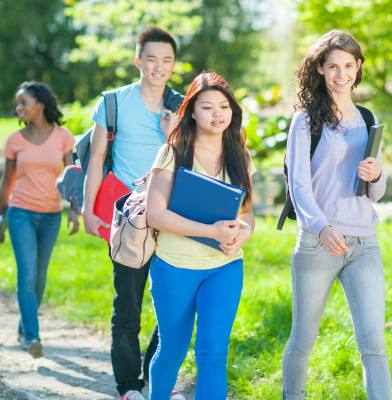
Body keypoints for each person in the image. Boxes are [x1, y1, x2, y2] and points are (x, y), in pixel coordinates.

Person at [281, 30, 391, 400]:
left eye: (348, 65)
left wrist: (377, 174)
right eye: (333, 67)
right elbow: (298, 185)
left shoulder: (367, 116)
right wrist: (320, 226)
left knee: (374, 341)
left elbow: (375, 190)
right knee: (303, 339)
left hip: (364, 243)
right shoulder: (305, 120)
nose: (341, 74)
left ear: (358, 68)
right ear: (321, 69)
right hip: (318, 242)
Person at [82, 26, 184, 400]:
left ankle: (160, 381)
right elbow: (95, 160)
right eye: (152, 59)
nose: (159, 67)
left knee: (173, 306)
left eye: (167, 61)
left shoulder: (182, 104)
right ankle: (129, 386)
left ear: (173, 65)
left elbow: (194, 162)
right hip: (129, 219)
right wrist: (88, 210)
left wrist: (173, 133)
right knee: (128, 305)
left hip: (173, 217)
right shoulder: (113, 102)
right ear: (138, 60)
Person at [145, 72, 254, 400]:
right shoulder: (172, 152)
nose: (217, 114)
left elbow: (247, 214)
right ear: (192, 111)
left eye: (224, 106)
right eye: (207, 107)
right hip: (174, 267)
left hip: (225, 267)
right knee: (173, 350)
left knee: (213, 356)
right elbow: (156, 213)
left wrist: (243, 234)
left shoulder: (240, 155)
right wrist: (210, 231)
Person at [0, 81, 78, 359]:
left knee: (39, 278)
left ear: (40, 105)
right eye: (17, 104)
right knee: (27, 275)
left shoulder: (64, 136)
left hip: (52, 215)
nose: (18, 108)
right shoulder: (14, 141)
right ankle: (33, 335)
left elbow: (73, 178)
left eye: (23, 103)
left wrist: (74, 211)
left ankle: (23, 327)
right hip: (21, 213)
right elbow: (7, 182)